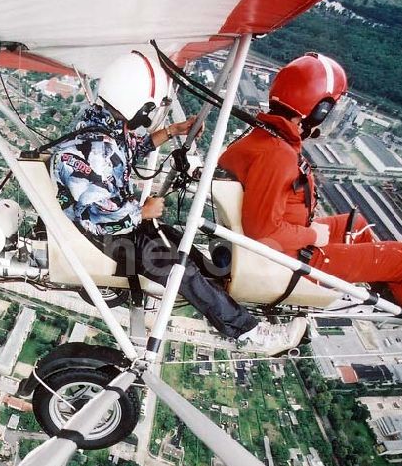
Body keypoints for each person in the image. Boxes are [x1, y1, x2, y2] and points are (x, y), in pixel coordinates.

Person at [217, 52, 402, 338]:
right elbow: (262, 231)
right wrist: (313, 236)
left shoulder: (263, 137)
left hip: (289, 242)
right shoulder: (277, 155)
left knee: (356, 224)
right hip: (294, 258)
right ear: (317, 110)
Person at [52, 51, 307, 356]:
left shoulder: (101, 126)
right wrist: (141, 212)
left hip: (120, 227)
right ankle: (250, 333)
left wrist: (173, 131)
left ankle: (220, 300)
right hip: (104, 236)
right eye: (149, 111)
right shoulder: (92, 149)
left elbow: (127, 151)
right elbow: (101, 214)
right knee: (178, 270)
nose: (147, 117)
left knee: (179, 243)